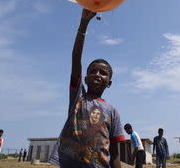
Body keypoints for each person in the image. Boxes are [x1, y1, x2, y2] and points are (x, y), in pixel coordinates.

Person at [49, 9, 126, 168]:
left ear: (109, 83)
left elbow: (115, 153)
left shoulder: (112, 111)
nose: (97, 74)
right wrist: (84, 23)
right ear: (85, 78)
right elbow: (76, 60)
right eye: (92, 71)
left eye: (103, 73)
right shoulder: (78, 97)